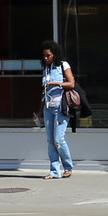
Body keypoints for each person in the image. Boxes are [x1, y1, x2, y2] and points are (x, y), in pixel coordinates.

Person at [37, 41, 75, 181]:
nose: (46, 58)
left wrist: (57, 83)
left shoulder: (63, 65)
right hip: (48, 107)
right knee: (50, 140)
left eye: (48, 55)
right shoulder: (46, 69)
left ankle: (68, 167)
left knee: (59, 139)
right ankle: (54, 171)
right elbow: (43, 92)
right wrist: (39, 112)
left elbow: (71, 83)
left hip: (60, 107)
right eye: (44, 56)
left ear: (55, 54)